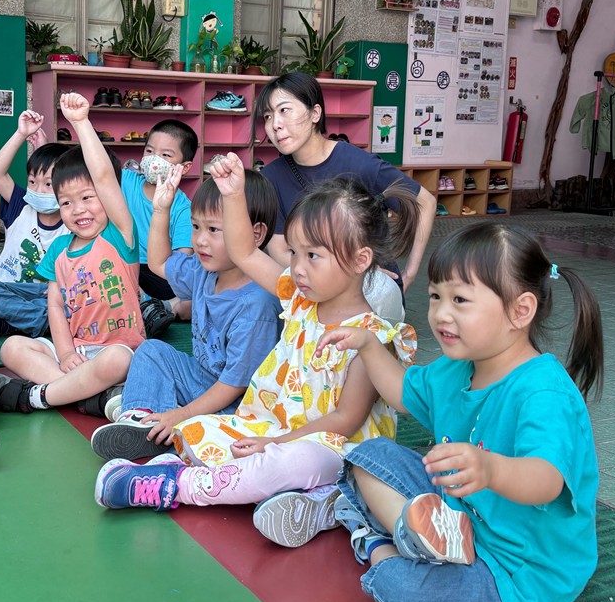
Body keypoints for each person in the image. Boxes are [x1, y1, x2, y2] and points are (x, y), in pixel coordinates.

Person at [93, 154, 418, 531]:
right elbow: (245, 253)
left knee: (298, 462)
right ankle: (314, 500)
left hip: (333, 449)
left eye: (313, 256)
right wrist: (233, 195)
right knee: (197, 431)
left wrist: (277, 444)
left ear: (361, 260)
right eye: (294, 253)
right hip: (274, 429)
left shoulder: (371, 338)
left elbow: (344, 422)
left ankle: (176, 484)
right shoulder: (299, 301)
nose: (298, 268)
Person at [316, 222, 603, 602]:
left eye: (460, 300)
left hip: (518, 569)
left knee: (403, 589)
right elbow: (401, 392)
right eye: (435, 296)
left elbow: (547, 480)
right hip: (454, 513)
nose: (440, 313)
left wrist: (490, 469)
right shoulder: (457, 367)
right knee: (367, 454)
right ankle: (414, 537)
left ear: (520, 311)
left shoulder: (543, 392)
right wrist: (367, 345)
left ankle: (375, 539)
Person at [90, 165, 282, 460]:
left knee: (209, 438)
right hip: (203, 379)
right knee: (152, 350)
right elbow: (159, 263)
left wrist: (183, 413)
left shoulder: (257, 305)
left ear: (254, 234)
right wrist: (161, 211)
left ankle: (171, 428)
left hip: (241, 405)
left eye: (214, 229)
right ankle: (142, 421)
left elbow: (234, 385)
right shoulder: (205, 270)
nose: (200, 240)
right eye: (196, 227)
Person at [0, 92, 144, 413]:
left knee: (118, 360)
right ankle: (91, 396)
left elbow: (103, 177)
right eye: (66, 202)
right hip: (75, 352)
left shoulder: (119, 236)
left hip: (116, 351)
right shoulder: (59, 249)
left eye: (88, 198)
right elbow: (55, 305)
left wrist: (81, 122)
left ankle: (50, 394)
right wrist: (64, 354)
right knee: (11, 348)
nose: (78, 210)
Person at [257, 72, 436, 297]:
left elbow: (425, 202)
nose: (275, 125)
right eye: (267, 116)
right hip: (314, 291)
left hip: (367, 293)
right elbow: (280, 251)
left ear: (315, 113)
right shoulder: (271, 177)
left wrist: (409, 274)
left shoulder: (359, 164)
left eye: (284, 110)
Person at [0, 109, 70, 338]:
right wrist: (21, 134)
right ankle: (43, 321)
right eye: (32, 181)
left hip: (49, 294)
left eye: (48, 185)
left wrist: (44, 148)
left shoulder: (74, 219)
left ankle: (11, 322)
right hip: (8, 290)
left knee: (72, 300)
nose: (38, 190)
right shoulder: (21, 206)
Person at [121, 118, 199, 336]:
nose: (154, 159)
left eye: (165, 155)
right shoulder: (125, 180)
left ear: (184, 167)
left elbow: (180, 263)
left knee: (194, 297)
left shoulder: (183, 207)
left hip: (159, 274)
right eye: (149, 151)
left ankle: (156, 307)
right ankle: (151, 308)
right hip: (123, 265)